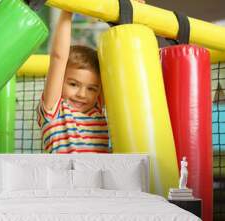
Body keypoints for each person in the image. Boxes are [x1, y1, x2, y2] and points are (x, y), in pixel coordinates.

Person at [37, 3, 145, 154]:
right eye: (74, 84)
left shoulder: (96, 108)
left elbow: (120, 64)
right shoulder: (54, 110)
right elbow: (58, 58)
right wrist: (68, 9)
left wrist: (130, 16)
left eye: (91, 88)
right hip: (67, 176)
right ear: (60, 80)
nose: (82, 94)